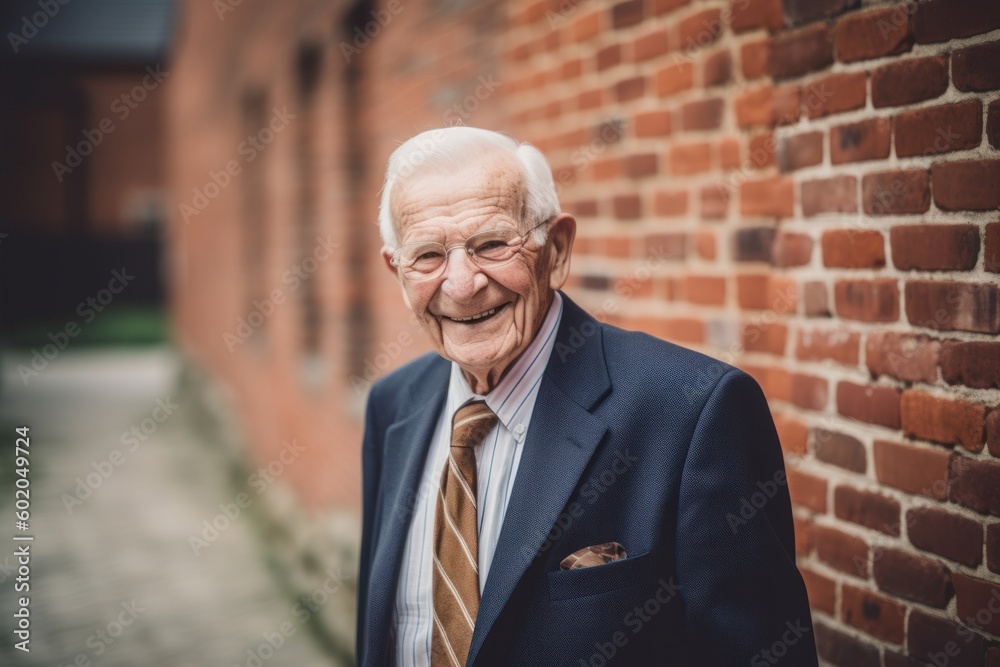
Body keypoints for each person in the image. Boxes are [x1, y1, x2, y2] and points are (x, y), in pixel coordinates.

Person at [357, 126, 818, 666]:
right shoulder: (392, 405)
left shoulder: (694, 411)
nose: (461, 285)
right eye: (428, 256)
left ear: (555, 250)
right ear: (397, 269)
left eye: (491, 244)